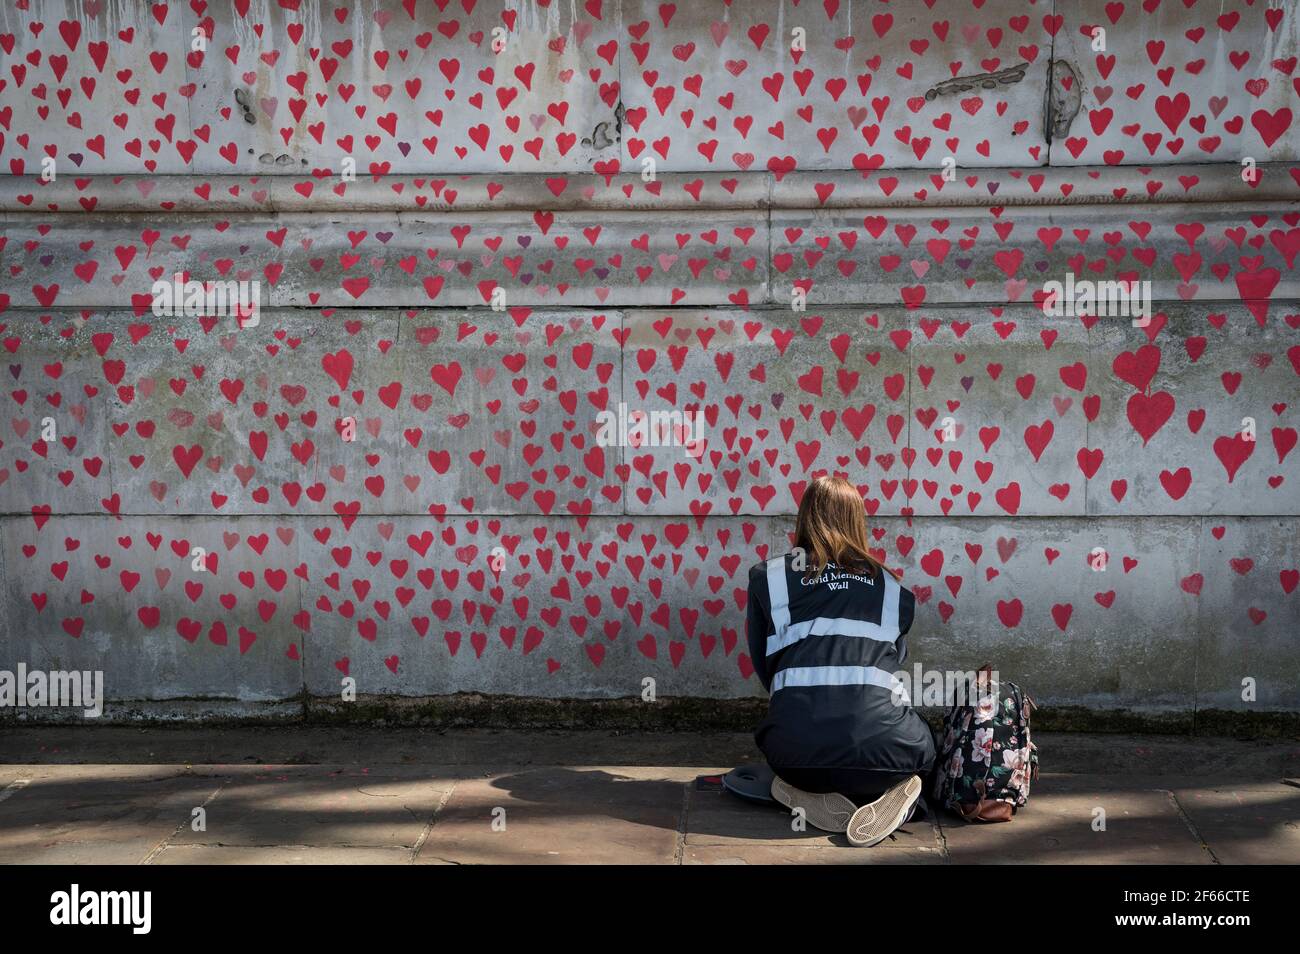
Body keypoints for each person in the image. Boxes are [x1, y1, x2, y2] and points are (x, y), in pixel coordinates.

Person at [745, 476, 935, 846]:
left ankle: (807, 795)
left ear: (804, 517)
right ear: (857, 520)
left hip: (793, 755)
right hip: (886, 755)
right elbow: (892, 666)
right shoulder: (894, 590)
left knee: (797, 744)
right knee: (925, 743)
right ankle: (894, 799)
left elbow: (765, 666)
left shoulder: (768, 578)